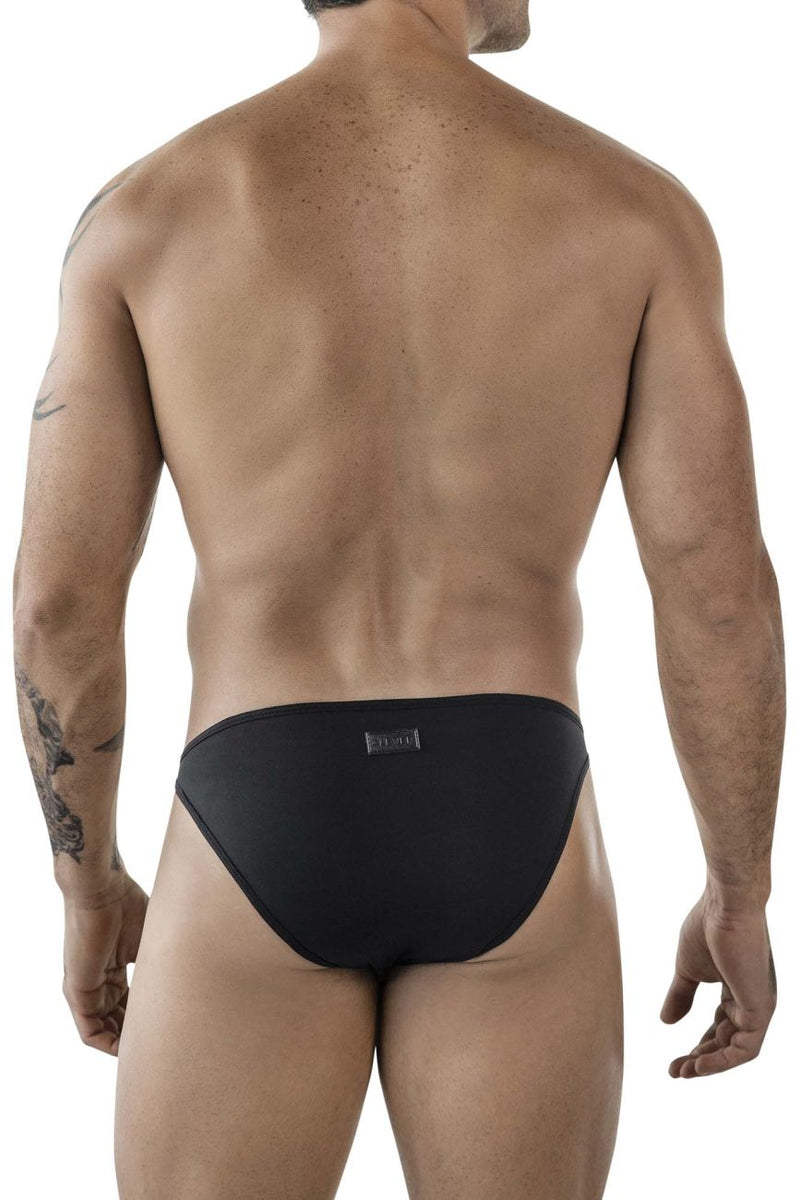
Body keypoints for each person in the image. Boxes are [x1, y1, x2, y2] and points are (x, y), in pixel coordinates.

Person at [12, 1, 784, 1196]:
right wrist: (739, 891)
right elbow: (716, 593)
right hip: (511, 796)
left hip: (259, 797)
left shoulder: (147, 212)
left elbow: (59, 604)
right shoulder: (635, 210)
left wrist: (87, 883)